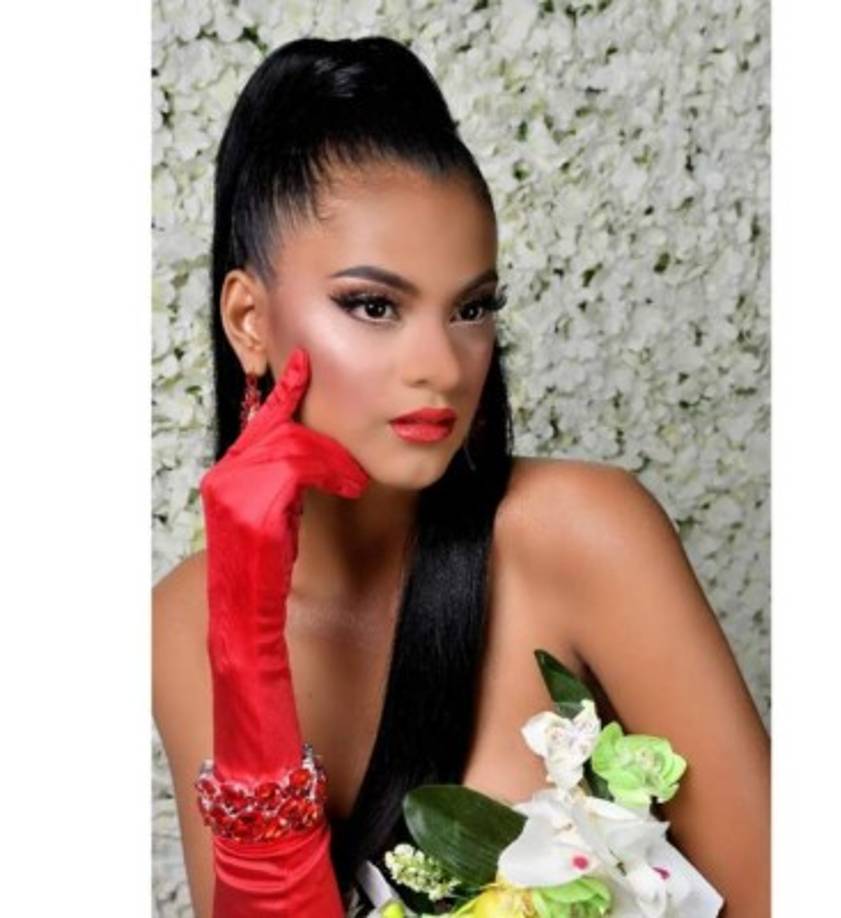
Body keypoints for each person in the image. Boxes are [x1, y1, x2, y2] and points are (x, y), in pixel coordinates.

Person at [152, 35, 770, 918]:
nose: (442, 366)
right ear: (249, 320)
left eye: (472, 308)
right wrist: (246, 650)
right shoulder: (182, 624)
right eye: (374, 305)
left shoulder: (580, 534)